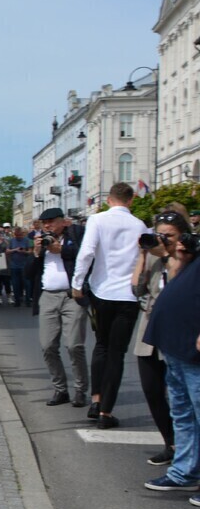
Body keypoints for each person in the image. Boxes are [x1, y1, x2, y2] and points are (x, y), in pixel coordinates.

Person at [71, 183, 153, 428]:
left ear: (109, 199)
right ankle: (106, 412)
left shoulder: (97, 220)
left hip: (101, 292)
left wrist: (77, 283)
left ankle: (96, 401)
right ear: (130, 201)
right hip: (127, 296)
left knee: (101, 347)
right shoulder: (139, 225)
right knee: (117, 353)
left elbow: (86, 253)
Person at [142, 224, 200, 495]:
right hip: (175, 344)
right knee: (183, 413)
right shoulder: (185, 257)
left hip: (192, 346)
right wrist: (181, 255)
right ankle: (184, 471)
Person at [132, 211, 188, 466]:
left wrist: (167, 254)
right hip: (150, 329)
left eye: (169, 236)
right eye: (160, 235)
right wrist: (143, 253)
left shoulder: (187, 258)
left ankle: (185, 450)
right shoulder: (155, 257)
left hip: (178, 331)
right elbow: (136, 288)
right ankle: (170, 442)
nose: (163, 240)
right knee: (152, 390)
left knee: (183, 396)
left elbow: (179, 285)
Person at [28, 208, 89, 408]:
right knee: (47, 346)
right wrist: (36, 253)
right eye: (44, 223)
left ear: (63, 221)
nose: (47, 226)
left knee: (74, 345)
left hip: (72, 296)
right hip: (48, 296)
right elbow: (28, 274)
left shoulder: (76, 234)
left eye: (51, 221)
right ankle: (60, 389)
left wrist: (61, 250)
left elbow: (86, 255)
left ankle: (80, 389)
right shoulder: (42, 242)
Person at [7, 226, 34, 306]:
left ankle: (28, 300)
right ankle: (17, 301)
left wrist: (24, 251)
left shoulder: (27, 240)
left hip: (24, 265)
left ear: (22, 234)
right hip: (14, 265)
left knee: (27, 283)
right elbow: (7, 251)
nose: (18, 237)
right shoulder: (11, 241)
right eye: (17, 235)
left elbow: (30, 252)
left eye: (20, 235)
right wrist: (15, 250)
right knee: (15, 284)